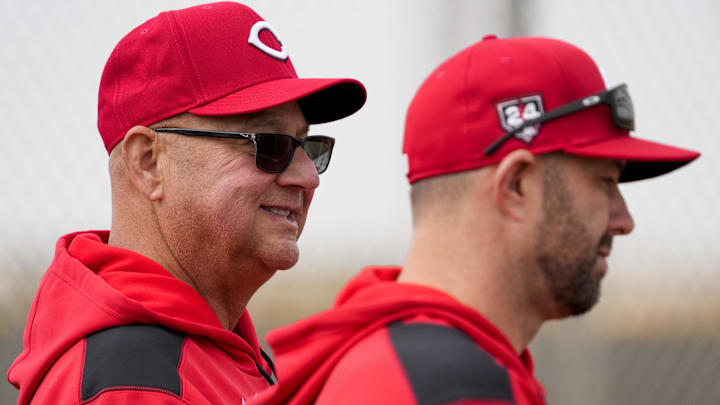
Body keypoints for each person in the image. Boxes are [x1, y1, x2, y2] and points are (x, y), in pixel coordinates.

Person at [250, 35, 700, 405]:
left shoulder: (402, 356)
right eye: (605, 183)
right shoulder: (446, 384)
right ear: (516, 186)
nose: (624, 220)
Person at [6, 2, 365, 404]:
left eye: (307, 145)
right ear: (148, 162)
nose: (308, 176)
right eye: (270, 144)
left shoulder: (208, 348)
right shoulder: (134, 384)